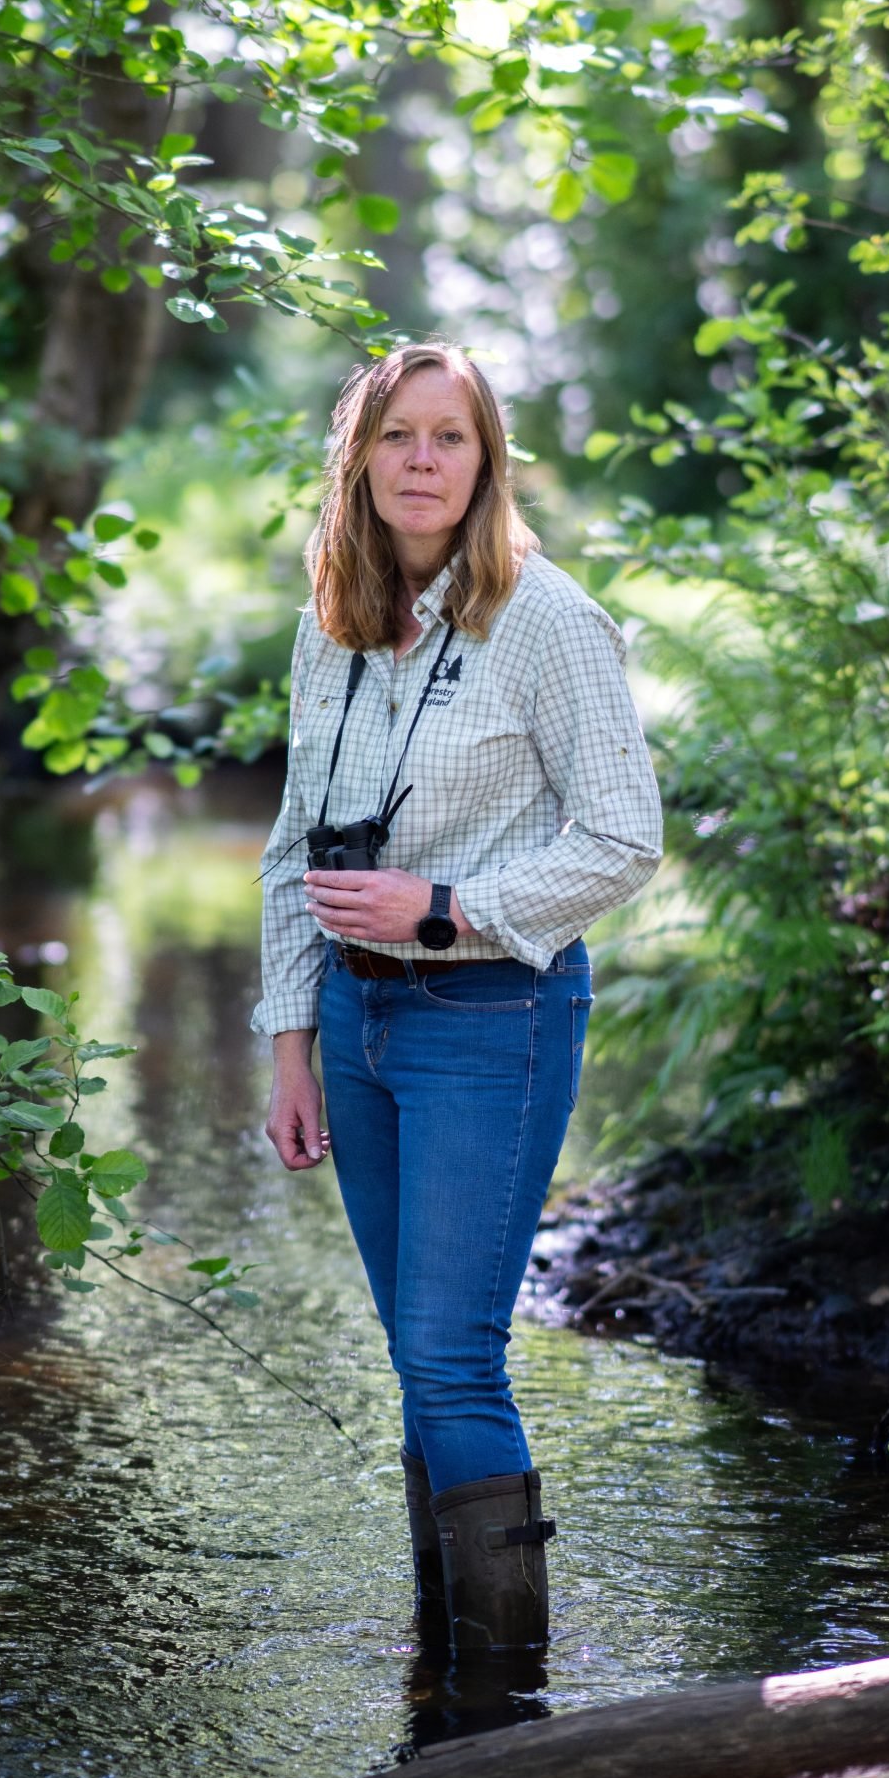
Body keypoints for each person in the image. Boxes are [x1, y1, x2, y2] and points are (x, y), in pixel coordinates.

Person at [254, 342, 662, 1660]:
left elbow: (623, 841)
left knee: (452, 1360)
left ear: (486, 465)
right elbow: (289, 849)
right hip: (360, 1033)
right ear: (359, 460)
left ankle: (501, 1707)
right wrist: (292, 1042)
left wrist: (444, 907)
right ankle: (445, 1675)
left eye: (450, 438)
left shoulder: (547, 621)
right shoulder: (335, 622)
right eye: (397, 437)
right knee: (413, 1364)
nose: (421, 462)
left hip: (494, 1018)